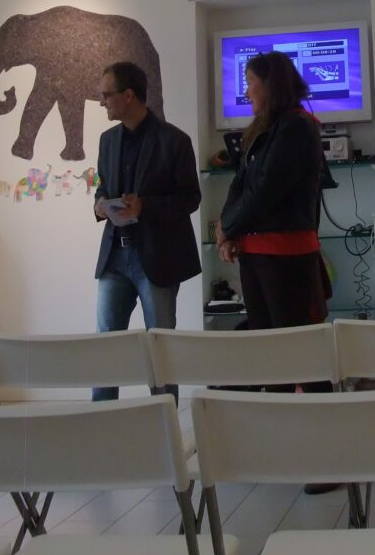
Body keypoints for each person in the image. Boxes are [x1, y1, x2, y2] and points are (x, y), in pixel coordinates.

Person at [92, 61, 201, 400]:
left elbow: (191, 198)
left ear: (129, 95)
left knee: (161, 349)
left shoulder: (174, 140)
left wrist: (145, 207)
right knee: (106, 347)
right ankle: (101, 418)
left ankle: (164, 419)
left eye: (106, 94)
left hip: (157, 257)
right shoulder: (108, 140)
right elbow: (103, 186)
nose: (102, 101)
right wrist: (99, 204)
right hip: (115, 256)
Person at [216, 51, 332, 346]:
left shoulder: (298, 126)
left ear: (271, 84)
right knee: (266, 347)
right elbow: (240, 183)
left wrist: (227, 227)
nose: (246, 91)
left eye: (250, 81)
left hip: (286, 259)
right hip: (255, 255)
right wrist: (227, 230)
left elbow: (266, 190)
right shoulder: (263, 128)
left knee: (295, 348)